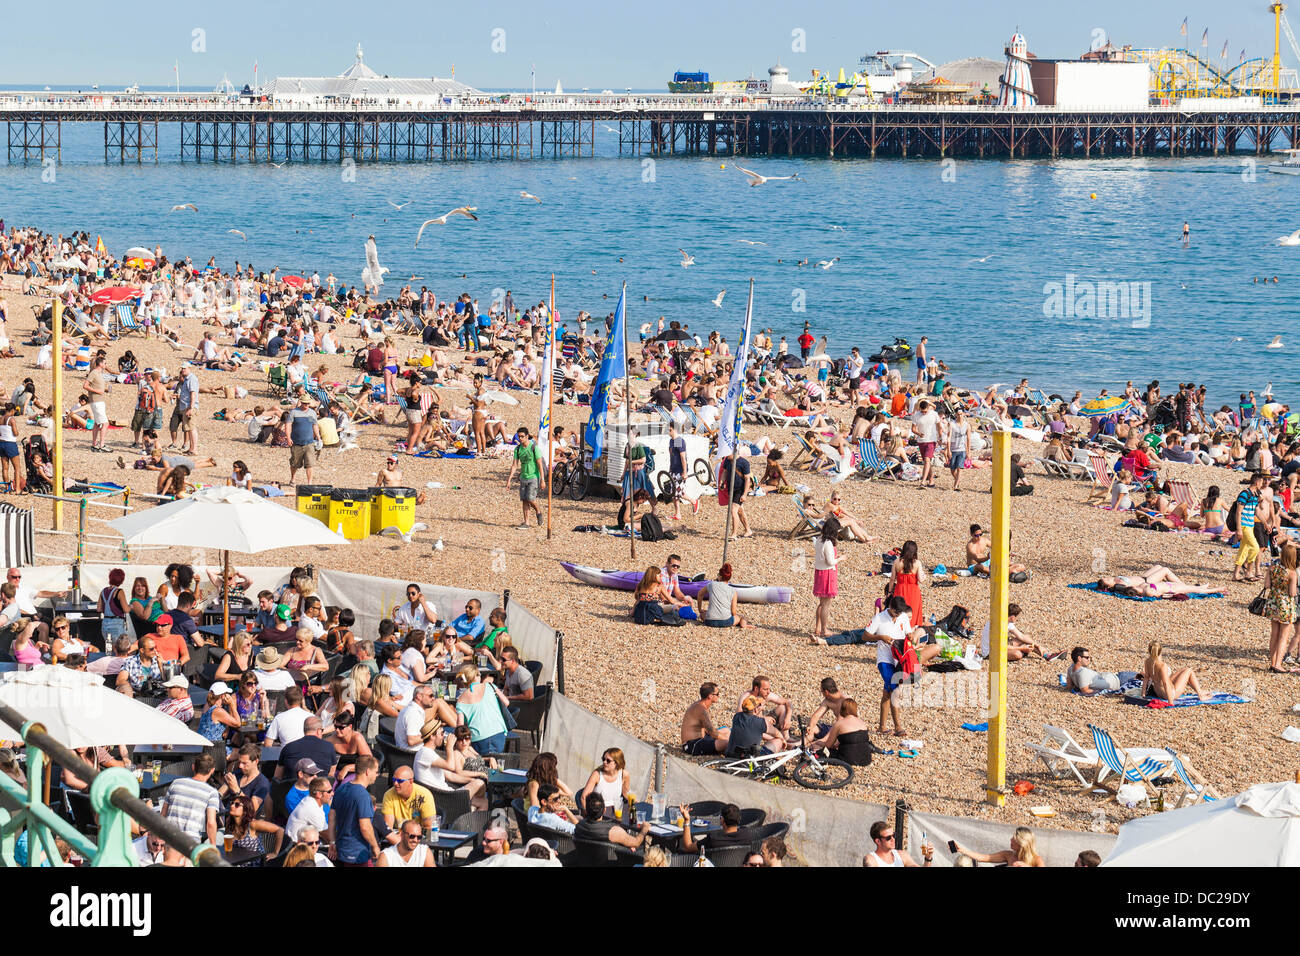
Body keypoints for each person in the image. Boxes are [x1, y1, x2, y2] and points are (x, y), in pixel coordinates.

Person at [331, 755, 382, 866]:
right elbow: (365, 827)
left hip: (341, 849)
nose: (377, 775)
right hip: (357, 853)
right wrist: (375, 846)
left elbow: (331, 817)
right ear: (368, 771)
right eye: (376, 772)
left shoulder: (341, 789)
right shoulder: (363, 795)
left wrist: (332, 842)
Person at [160, 753, 221, 847]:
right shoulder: (211, 792)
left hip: (170, 836)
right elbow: (211, 823)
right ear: (212, 771)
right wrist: (213, 845)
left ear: (193, 767)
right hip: (191, 841)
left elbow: (163, 814)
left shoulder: (176, 783)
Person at [573, 792, 650, 852]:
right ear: (604, 810)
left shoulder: (579, 826)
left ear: (586, 810)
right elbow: (636, 843)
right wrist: (644, 830)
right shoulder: (613, 831)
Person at [808, 698, 875, 766]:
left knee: (815, 749)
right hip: (866, 760)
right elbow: (854, 739)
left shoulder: (839, 724)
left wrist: (818, 743)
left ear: (842, 709)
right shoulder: (862, 723)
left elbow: (828, 745)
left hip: (847, 759)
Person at [1267, 541, 1300, 673]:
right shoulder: (1292, 573)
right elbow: (1292, 593)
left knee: (1274, 635)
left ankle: (1272, 662)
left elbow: (1267, 585)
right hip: (1286, 605)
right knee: (1284, 636)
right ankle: (1278, 664)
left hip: (1273, 603)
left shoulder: (1272, 569)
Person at [1142, 641, 1211, 703]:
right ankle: (1200, 695)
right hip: (1169, 694)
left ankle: (1200, 691)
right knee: (1189, 671)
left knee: (1185, 669)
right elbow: (1165, 683)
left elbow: (1146, 678)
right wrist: (1170, 701)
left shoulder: (1147, 662)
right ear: (1160, 651)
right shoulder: (1162, 665)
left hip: (1158, 692)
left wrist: (1143, 694)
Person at [811, 517, 844, 640]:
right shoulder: (828, 543)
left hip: (819, 572)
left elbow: (823, 557)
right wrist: (840, 559)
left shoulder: (819, 539)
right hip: (827, 574)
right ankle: (824, 629)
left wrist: (835, 557)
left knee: (821, 603)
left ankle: (818, 627)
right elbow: (830, 562)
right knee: (826, 604)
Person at [506, 426, 543, 529]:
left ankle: (538, 511)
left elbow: (540, 464)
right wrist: (509, 480)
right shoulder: (517, 449)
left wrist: (542, 480)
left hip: (534, 476)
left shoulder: (534, 447)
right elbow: (514, 465)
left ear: (527, 436)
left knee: (530, 498)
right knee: (524, 500)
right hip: (523, 477)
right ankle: (526, 523)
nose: (520, 439)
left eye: (522, 436)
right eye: (519, 437)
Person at [1233, 472, 1268, 583]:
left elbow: (1256, 510)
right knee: (1255, 547)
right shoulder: (1244, 494)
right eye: (1262, 481)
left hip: (1250, 525)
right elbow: (1238, 512)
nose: (1263, 484)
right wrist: (1238, 529)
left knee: (1244, 549)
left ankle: (1236, 574)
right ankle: (1248, 571)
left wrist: (1265, 523)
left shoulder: (1255, 495)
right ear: (1257, 482)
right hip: (1244, 525)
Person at [680, 803, 756, 852]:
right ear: (739, 819)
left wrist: (687, 820)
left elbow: (688, 847)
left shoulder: (713, 839)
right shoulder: (747, 834)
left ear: (722, 820)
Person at [381, 766, 438, 833]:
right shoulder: (388, 795)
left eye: (400, 781)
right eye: (394, 780)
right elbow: (388, 827)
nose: (395, 783)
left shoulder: (424, 795)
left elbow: (429, 826)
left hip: (418, 836)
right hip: (399, 835)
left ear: (410, 781)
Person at [951, 827, 1045, 867]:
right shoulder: (1008, 855)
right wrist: (962, 850)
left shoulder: (1036, 860)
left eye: (1014, 839)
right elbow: (984, 858)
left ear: (1022, 844)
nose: (1010, 840)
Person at [680, 682, 730, 755]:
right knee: (727, 743)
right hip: (691, 745)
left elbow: (708, 729)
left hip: (700, 738)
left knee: (726, 730)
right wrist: (728, 740)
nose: (719, 696)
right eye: (717, 694)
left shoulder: (700, 705)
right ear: (710, 696)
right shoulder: (701, 710)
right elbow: (712, 733)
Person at [1067, 647, 1141, 696]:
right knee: (1146, 677)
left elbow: (1069, 686)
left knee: (1144, 676)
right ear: (1079, 658)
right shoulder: (1083, 673)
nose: (1089, 659)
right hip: (1119, 681)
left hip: (1117, 677)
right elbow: (1085, 691)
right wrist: (1103, 692)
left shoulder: (1071, 668)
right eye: (1087, 657)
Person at [697, 563, 752, 628]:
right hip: (726, 621)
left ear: (720, 576)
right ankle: (744, 625)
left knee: (702, 614)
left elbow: (700, 594)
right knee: (741, 617)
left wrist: (700, 609)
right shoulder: (733, 590)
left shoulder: (711, 585)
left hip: (709, 621)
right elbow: (733, 612)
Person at [579, 747, 632, 813]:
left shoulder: (624, 774)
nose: (604, 762)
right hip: (599, 812)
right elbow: (583, 797)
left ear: (617, 762)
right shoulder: (597, 775)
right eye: (603, 759)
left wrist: (634, 803)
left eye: (608, 761)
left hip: (616, 810)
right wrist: (589, 816)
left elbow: (626, 794)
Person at [285, 775, 332, 845]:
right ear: (319, 794)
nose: (332, 793)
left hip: (302, 843)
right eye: (329, 791)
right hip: (297, 848)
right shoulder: (312, 809)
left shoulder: (312, 800)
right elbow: (329, 838)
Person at [863, 820, 932, 867]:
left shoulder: (902, 855)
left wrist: (928, 858)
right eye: (888, 838)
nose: (893, 839)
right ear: (878, 841)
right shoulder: (871, 859)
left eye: (894, 835)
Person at [287, 395, 321, 484]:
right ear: (301, 402)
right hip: (296, 442)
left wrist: (318, 437)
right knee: (295, 463)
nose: (306, 405)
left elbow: (315, 425)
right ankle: (293, 478)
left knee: (310, 464)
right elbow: (288, 425)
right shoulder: (294, 412)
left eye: (308, 403)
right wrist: (288, 437)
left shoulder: (312, 413)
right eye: (304, 403)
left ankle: (309, 483)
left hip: (309, 442)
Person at [889, 539, 924, 623]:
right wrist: (924, 576)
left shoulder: (896, 562)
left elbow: (892, 579)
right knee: (912, 614)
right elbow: (921, 579)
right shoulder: (917, 563)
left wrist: (890, 592)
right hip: (913, 592)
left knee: (899, 612)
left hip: (899, 590)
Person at [911, 399, 941, 487]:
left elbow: (939, 426)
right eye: (922, 411)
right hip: (921, 441)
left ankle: (923, 481)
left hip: (931, 440)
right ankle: (931, 479)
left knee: (927, 460)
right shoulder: (916, 415)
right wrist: (918, 433)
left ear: (928, 408)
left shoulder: (934, 414)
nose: (923, 413)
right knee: (926, 461)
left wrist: (940, 437)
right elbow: (913, 429)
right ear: (919, 408)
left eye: (925, 411)